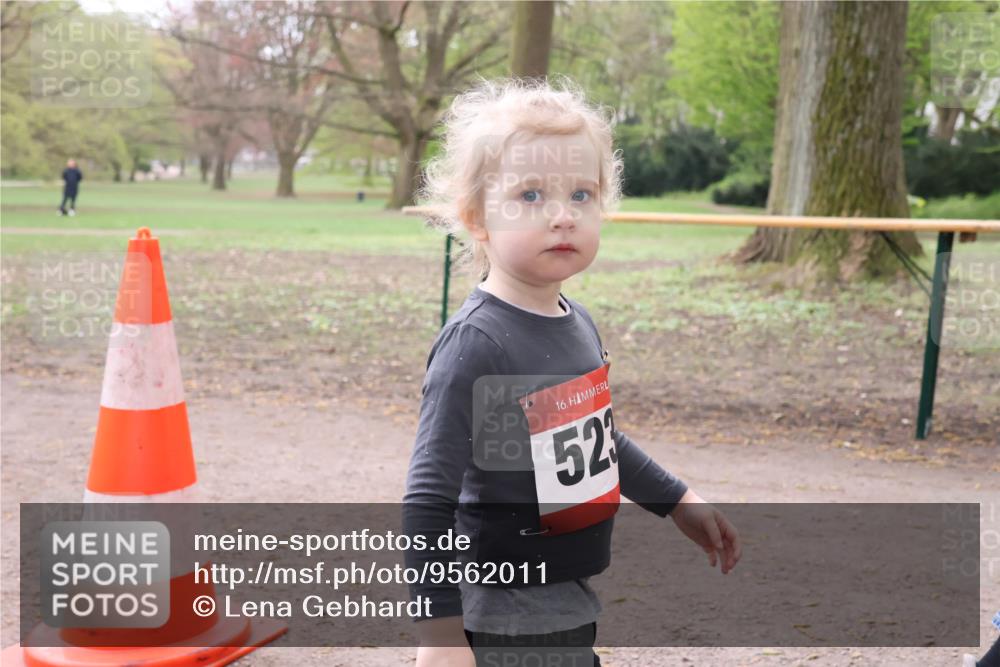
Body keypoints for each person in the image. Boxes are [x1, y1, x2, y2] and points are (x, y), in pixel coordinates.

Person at [402, 78, 742, 667]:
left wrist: (676, 499)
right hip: (505, 610)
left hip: (565, 598)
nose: (562, 216)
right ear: (477, 217)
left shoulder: (573, 321)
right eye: (531, 195)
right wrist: (439, 637)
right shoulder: (477, 345)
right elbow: (427, 504)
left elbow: (595, 436)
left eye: (581, 195)